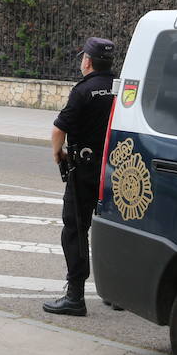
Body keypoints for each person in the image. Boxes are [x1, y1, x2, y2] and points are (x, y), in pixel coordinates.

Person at [43, 36, 117, 317]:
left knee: (75, 229)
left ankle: (75, 296)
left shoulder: (83, 91)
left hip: (84, 170)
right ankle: (118, 294)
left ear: (87, 61)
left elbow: (57, 130)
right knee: (113, 230)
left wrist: (57, 153)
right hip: (116, 170)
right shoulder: (121, 88)